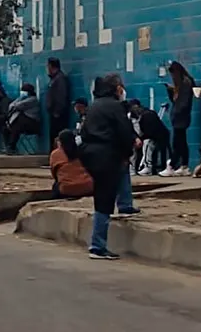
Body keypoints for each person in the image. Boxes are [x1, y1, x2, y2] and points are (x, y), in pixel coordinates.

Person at [80, 73, 137, 259]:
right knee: (104, 199)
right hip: (106, 155)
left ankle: (126, 204)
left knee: (117, 177)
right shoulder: (115, 106)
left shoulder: (95, 106)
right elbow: (124, 131)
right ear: (116, 88)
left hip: (92, 154)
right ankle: (97, 246)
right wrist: (130, 148)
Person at [160, 61, 195, 177]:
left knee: (177, 142)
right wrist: (171, 91)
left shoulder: (185, 83)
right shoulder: (182, 83)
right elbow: (176, 101)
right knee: (182, 141)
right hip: (180, 116)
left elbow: (182, 102)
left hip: (181, 117)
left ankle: (172, 165)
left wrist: (177, 110)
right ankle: (184, 165)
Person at [50, 129, 94, 199]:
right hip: (89, 188)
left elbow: (54, 174)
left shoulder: (55, 154)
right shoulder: (83, 150)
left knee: (56, 185)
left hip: (67, 190)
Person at [129, 99, 169, 176]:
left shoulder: (147, 115)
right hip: (151, 135)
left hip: (156, 136)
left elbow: (150, 133)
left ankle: (148, 167)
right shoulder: (135, 116)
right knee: (140, 144)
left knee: (147, 143)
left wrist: (141, 138)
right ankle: (136, 168)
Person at [6, 83, 41, 154]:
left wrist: (20, 99)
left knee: (17, 125)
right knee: (7, 127)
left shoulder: (32, 100)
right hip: (25, 123)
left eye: (23, 91)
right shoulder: (24, 98)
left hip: (32, 124)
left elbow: (16, 106)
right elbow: (10, 106)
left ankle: (11, 147)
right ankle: (9, 146)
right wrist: (20, 98)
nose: (22, 93)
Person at [46, 57, 71, 151]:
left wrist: (57, 111)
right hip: (54, 113)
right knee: (53, 136)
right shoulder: (55, 78)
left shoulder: (60, 79)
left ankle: (57, 156)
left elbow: (61, 95)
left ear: (51, 66)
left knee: (57, 136)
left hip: (58, 114)